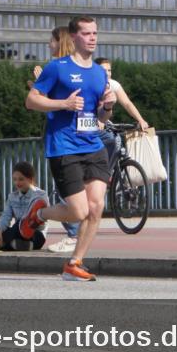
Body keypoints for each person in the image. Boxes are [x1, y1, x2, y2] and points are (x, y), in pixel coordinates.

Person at [20, 15, 115, 281]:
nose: (93, 38)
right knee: (79, 211)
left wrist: (107, 107)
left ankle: (75, 263)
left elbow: (99, 119)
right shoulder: (57, 68)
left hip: (93, 145)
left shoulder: (98, 73)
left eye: (95, 33)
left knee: (96, 208)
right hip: (64, 147)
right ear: (73, 37)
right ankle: (37, 213)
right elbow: (31, 101)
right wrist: (63, 104)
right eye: (87, 33)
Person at [34, 26, 80, 254]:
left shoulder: (56, 69)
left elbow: (50, 104)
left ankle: (73, 234)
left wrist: (40, 87)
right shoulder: (74, 67)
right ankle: (76, 235)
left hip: (63, 138)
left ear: (59, 41)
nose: (48, 45)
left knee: (67, 190)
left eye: (51, 41)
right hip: (80, 138)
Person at [0, 161, 49, 251]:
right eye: (15, 179)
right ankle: (16, 245)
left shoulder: (40, 195)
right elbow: (6, 216)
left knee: (18, 226)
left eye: (21, 179)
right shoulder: (12, 196)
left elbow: (41, 221)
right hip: (16, 233)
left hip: (35, 234)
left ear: (30, 179)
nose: (17, 182)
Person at [94, 57, 149, 161]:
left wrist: (140, 120)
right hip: (89, 122)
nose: (107, 73)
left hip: (104, 120)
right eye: (103, 70)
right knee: (110, 139)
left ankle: (112, 171)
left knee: (117, 139)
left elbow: (127, 103)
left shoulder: (113, 84)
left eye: (109, 70)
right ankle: (105, 173)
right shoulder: (90, 84)